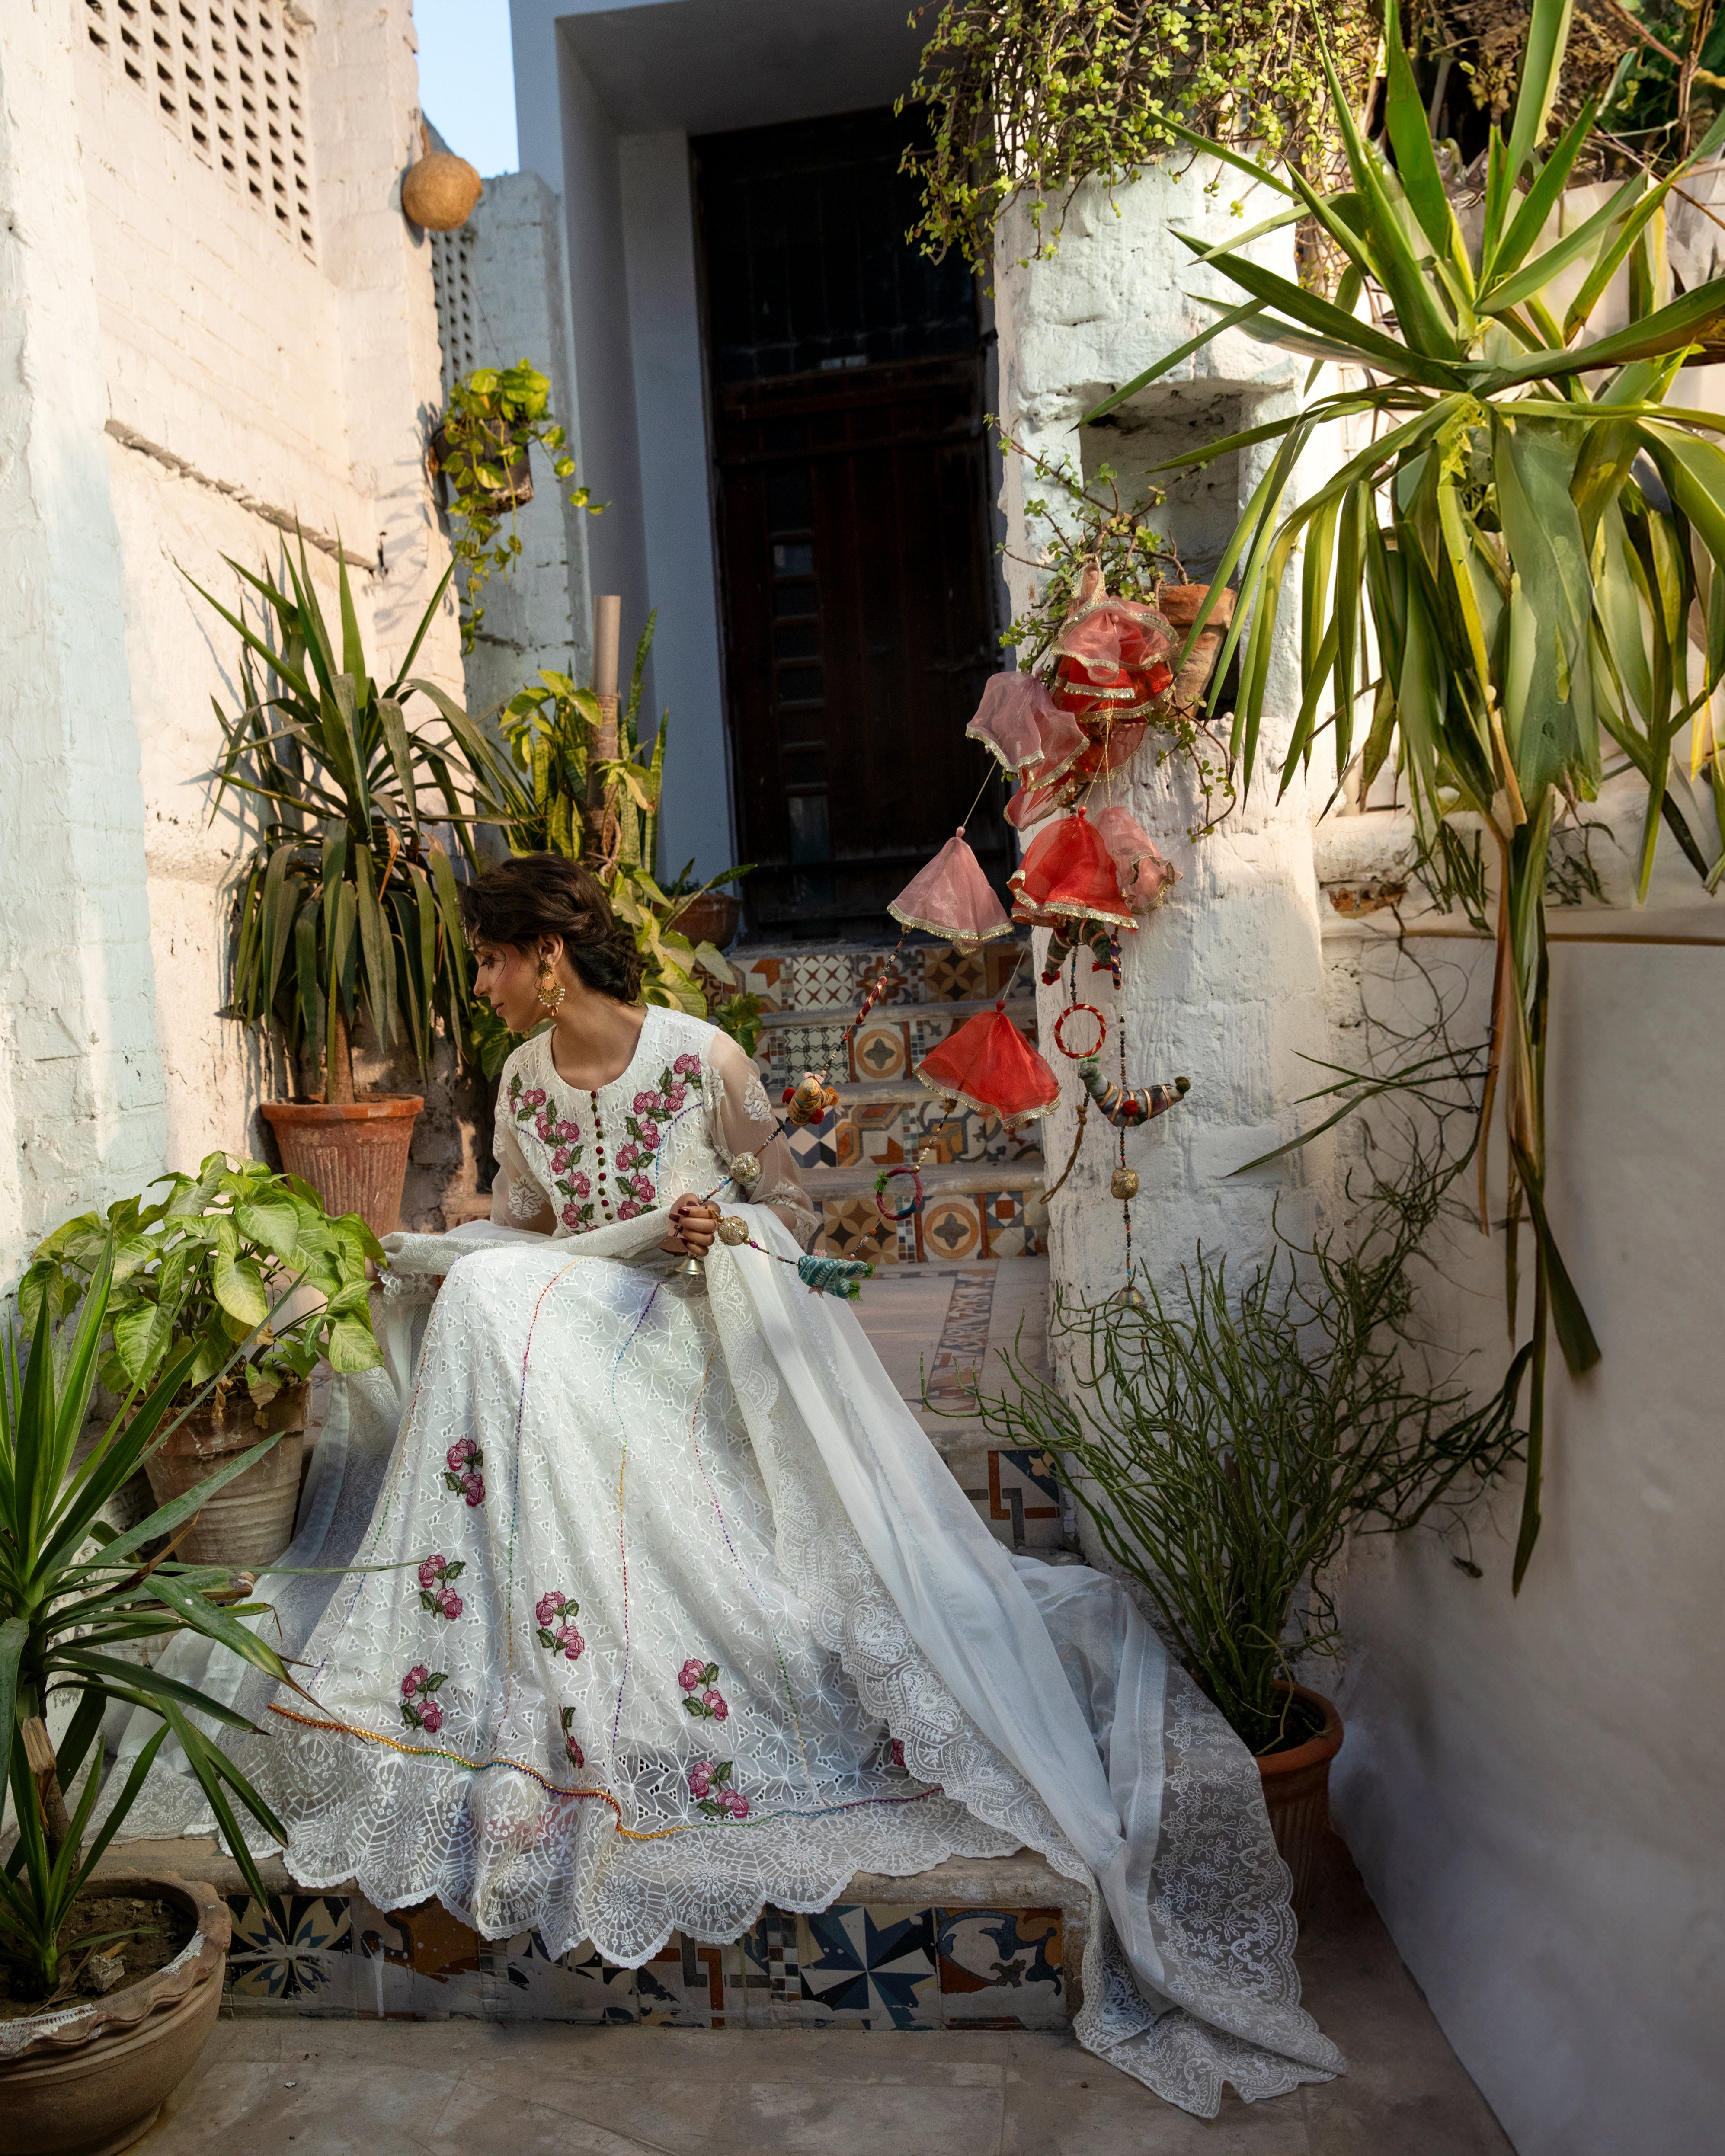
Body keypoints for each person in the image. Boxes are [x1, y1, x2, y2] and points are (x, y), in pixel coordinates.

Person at [115, 855, 1341, 2116]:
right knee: (473, 1291)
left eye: (489, 959)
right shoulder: (523, 1080)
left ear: (548, 955)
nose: (480, 985)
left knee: (494, 1307)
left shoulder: (704, 1059)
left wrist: (727, 1227)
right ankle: (507, 1699)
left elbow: (796, 1212)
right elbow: (532, 1237)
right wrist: (438, 1255)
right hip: (570, 1317)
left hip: (686, 1328)